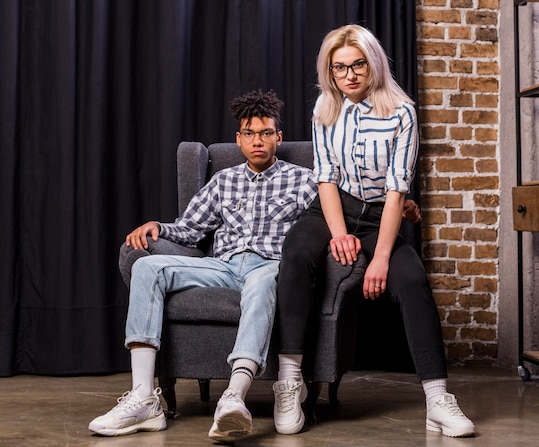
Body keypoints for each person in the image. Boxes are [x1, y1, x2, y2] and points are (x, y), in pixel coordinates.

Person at [272, 24, 476, 438]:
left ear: (373, 64)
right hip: (332, 208)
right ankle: (290, 381)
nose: (349, 75)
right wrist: (337, 233)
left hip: (381, 214)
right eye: (339, 68)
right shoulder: (324, 111)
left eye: (357, 65)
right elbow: (325, 179)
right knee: (294, 252)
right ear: (330, 72)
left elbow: (398, 187)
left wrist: (380, 258)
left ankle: (438, 400)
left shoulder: (402, 112)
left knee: (413, 280)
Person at [88, 90, 318, 442]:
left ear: (278, 137)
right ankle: (144, 398)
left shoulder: (302, 180)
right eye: (250, 133)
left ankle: (234, 396)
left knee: (262, 285)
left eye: (266, 133)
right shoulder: (223, 180)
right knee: (148, 268)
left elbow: (328, 220)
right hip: (223, 266)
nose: (258, 140)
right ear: (239, 139)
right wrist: (159, 227)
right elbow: (190, 229)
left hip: (271, 266)